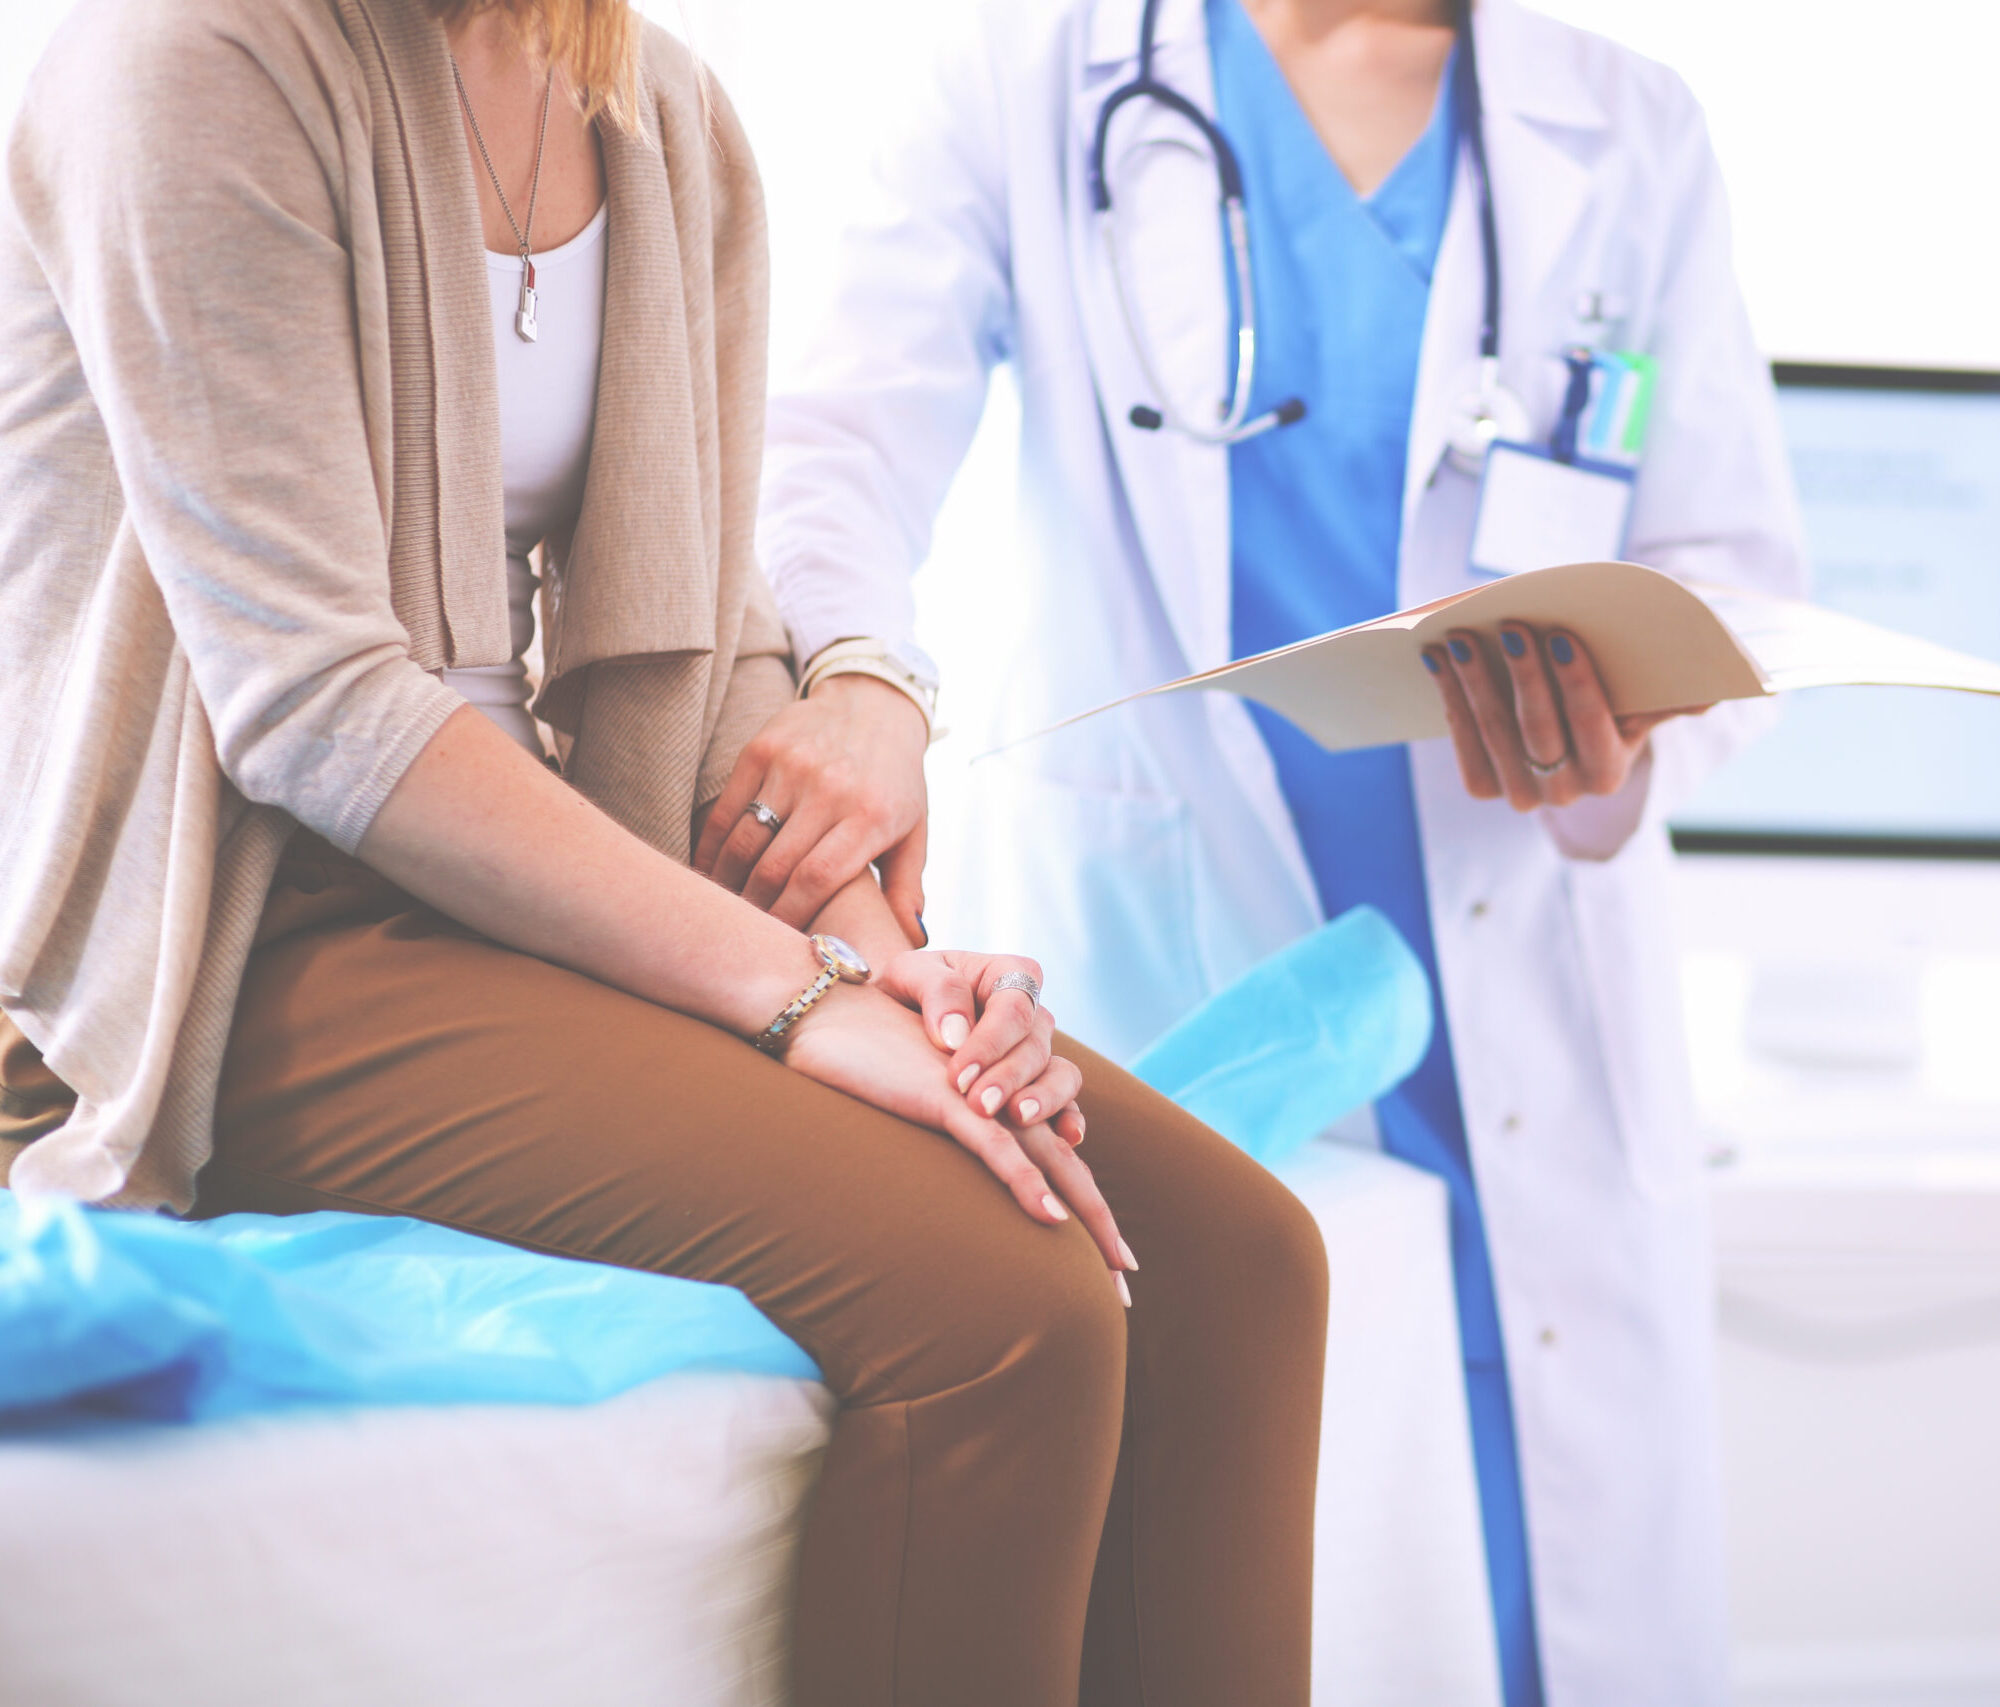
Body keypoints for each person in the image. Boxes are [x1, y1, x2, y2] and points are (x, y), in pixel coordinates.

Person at [0, 1, 1326, 1703]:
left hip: (549, 889)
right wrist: (801, 997)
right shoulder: (184, 65)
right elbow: (313, 707)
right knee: (1007, 1297)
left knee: (1236, 1264)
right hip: (237, 939)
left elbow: (705, 642)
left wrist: (880, 966)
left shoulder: (663, 115)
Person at [737, 0, 1806, 1701]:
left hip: (1519, 964)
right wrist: (863, 673)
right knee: (1270, 1566)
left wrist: (1637, 720)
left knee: (1542, 1572)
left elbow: (1733, 565)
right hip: (1194, 967)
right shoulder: (1031, 83)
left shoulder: (1627, 126)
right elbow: (833, 442)